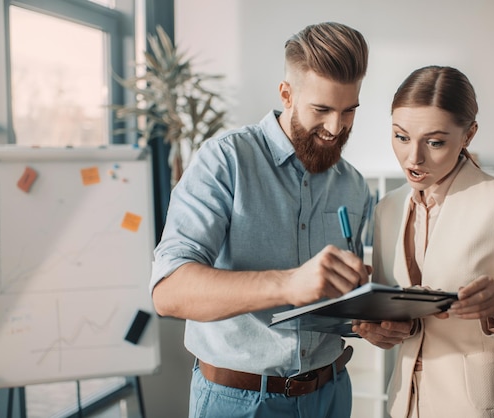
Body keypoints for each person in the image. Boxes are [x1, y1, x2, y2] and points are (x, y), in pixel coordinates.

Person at [150, 22, 372, 417]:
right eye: (321, 110)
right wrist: (287, 283)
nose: (336, 128)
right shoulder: (224, 161)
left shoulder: (354, 185)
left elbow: (343, 300)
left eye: (348, 111)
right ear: (287, 94)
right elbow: (169, 292)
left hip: (333, 394)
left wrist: (374, 318)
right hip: (238, 402)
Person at [352, 65, 494, 417]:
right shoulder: (387, 208)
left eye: (435, 142)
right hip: (404, 404)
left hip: (475, 408)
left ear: (468, 135)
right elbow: (397, 315)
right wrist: (379, 330)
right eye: (401, 137)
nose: (413, 158)